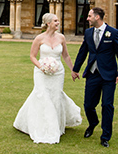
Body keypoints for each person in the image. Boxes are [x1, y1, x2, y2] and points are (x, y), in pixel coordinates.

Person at [14, 13, 82, 144]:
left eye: (58, 21)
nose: (58, 23)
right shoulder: (39, 38)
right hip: (41, 72)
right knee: (42, 95)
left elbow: (66, 56)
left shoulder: (61, 38)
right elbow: (32, 56)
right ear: (48, 23)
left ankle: (55, 126)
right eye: (55, 21)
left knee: (56, 97)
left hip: (58, 73)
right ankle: (41, 126)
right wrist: (42, 66)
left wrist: (73, 70)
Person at [72, 7, 118, 148]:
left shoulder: (113, 33)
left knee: (107, 105)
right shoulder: (88, 32)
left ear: (97, 17)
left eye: (89, 16)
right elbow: (83, 51)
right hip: (92, 74)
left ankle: (105, 136)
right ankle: (93, 123)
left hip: (109, 76)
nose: (87, 18)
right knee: (88, 105)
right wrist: (75, 69)